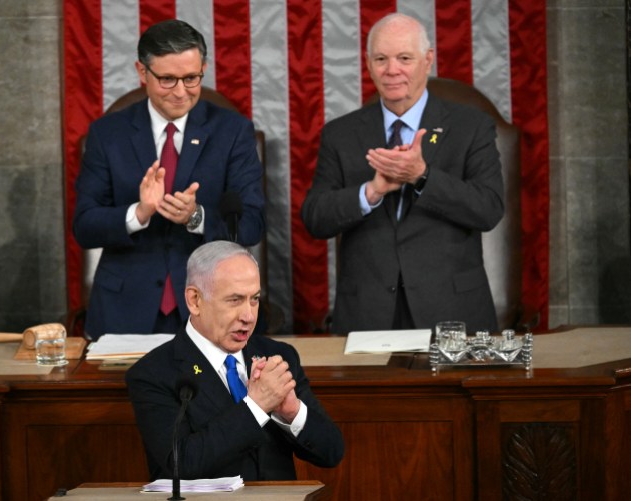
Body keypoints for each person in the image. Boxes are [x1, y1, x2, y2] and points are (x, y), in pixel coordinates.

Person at [301, 13, 504, 335]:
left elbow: (488, 209)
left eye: (404, 58)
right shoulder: (340, 133)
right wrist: (370, 192)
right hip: (367, 316)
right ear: (368, 64)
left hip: (451, 313)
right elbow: (315, 217)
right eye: (381, 59)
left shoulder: (471, 127)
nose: (391, 69)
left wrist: (422, 176)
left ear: (428, 61)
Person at [73, 20, 264, 339]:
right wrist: (139, 213)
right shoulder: (108, 134)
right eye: (167, 79)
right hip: (124, 312)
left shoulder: (233, 133)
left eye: (191, 78)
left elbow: (252, 224)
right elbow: (84, 226)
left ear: (203, 68)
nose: (180, 92)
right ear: (142, 72)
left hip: (210, 311)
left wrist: (197, 217)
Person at [126, 241, 344, 481]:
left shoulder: (278, 356)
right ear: (195, 300)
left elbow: (332, 452)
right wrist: (256, 406)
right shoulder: (153, 373)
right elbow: (181, 464)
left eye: (255, 299)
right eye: (235, 300)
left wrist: (293, 413)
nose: (248, 316)